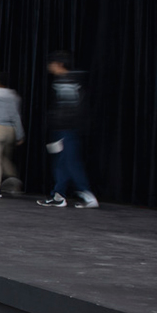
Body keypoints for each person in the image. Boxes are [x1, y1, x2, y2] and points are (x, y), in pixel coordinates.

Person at [38, 51, 98, 209]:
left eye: (52, 64)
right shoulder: (67, 80)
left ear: (59, 64)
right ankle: (59, 195)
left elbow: (69, 108)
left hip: (67, 128)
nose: (50, 67)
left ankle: (87, 194)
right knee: (62, 162)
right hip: (65, 128)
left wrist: (58, 123)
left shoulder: (66, 81)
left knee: (70, 161)